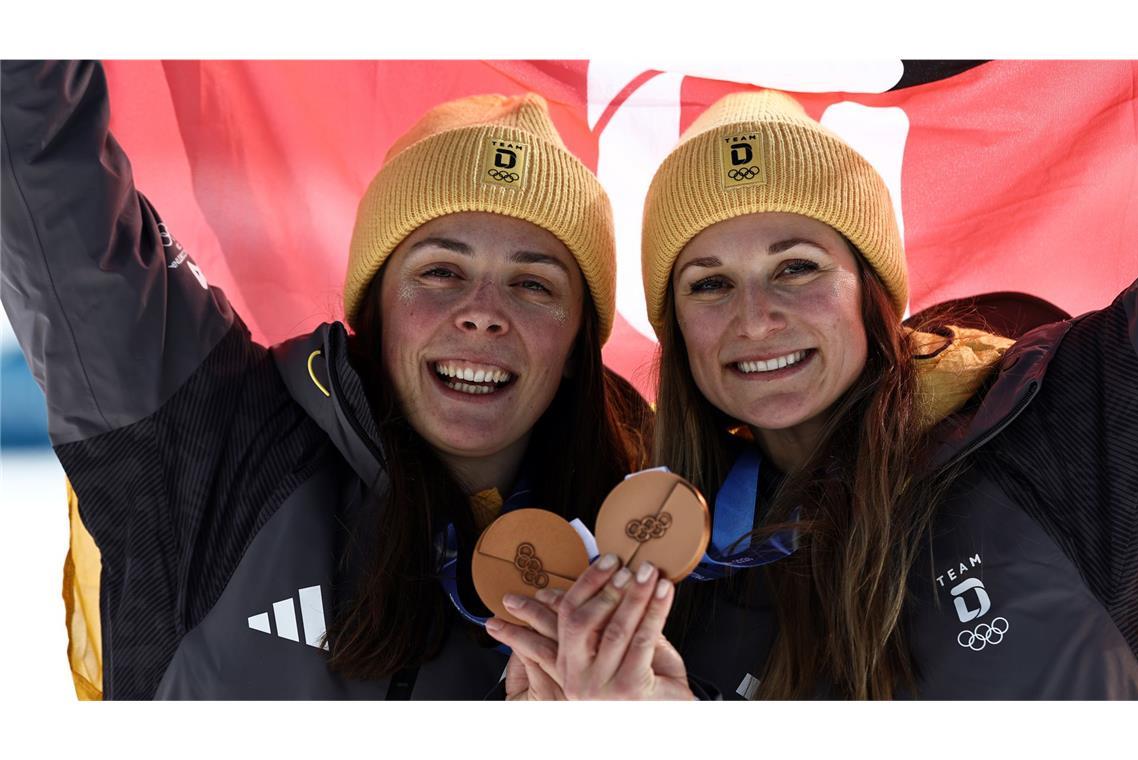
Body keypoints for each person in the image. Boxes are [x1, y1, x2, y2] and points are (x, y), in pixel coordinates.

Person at [0, 60, 651, 699]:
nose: (482, 313)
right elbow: (44, 175)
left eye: (533, 284)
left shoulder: (656, 562)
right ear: (375, 304)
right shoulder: (214, 445)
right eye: (440, 272)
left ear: (575, 345)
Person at [488, 89, 1138, 699]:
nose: (755, 319)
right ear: (677, 329)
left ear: (869, 288)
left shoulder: (1056, 418)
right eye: (709, 284)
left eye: (796, 267)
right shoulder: (667, 572)